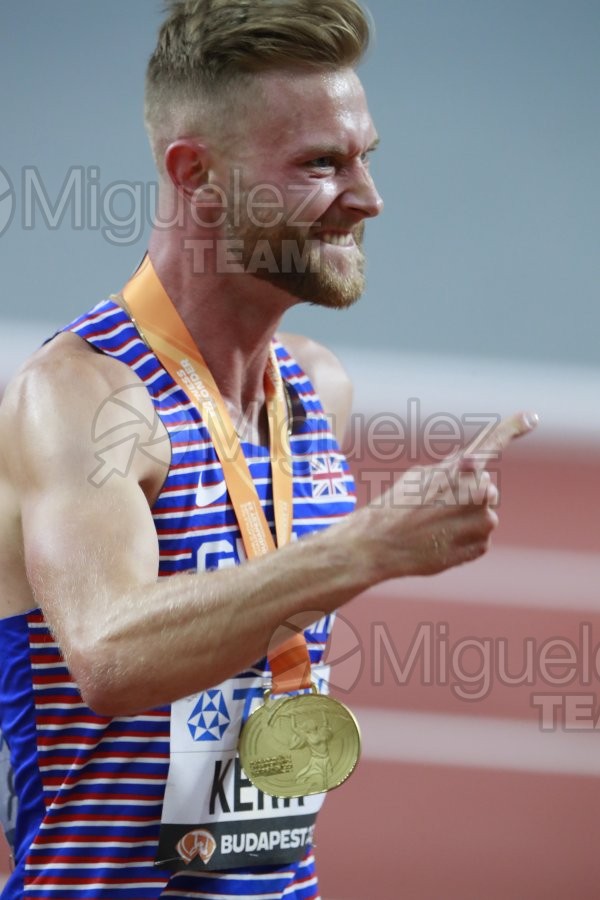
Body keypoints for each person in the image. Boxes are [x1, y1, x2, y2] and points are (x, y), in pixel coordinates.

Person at [0, 1, 537, 898]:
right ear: (197, 174)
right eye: (322, 164)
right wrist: (364, 548)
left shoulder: (315, 391)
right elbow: (108, 658)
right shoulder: (81, 395)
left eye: (365, 156)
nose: (367, 198)